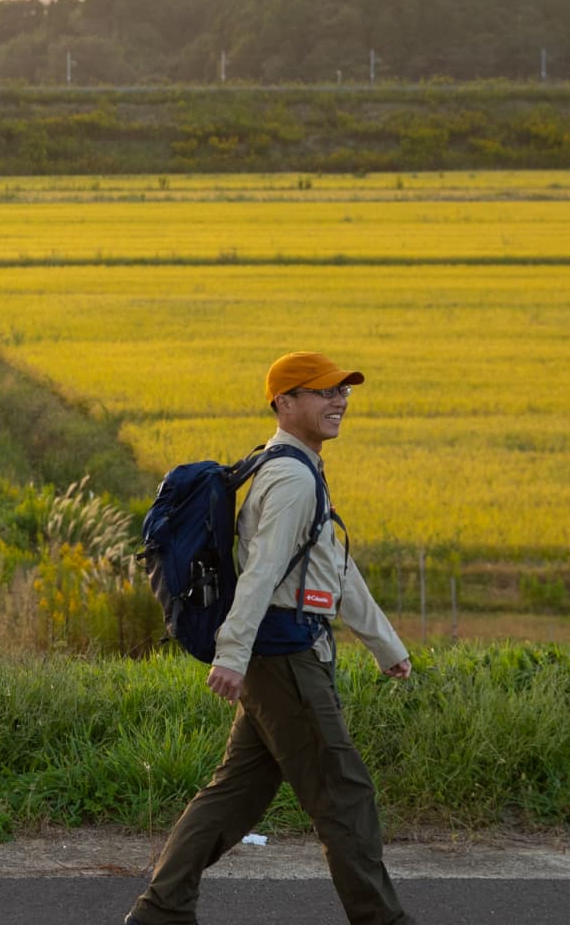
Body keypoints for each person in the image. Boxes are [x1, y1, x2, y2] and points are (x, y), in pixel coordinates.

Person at [127, 352, 417, 925]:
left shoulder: (295, 467)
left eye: (343, 392)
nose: (338, 402)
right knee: (344, 794)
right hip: (285, 656)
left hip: (280, 652)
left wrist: (385, 645)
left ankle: (162, 910)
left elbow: (334, 568)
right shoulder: (289, 477)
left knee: (236, 795)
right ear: (284, 404)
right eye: (322, 392)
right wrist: (231, 655)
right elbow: (260, 573)